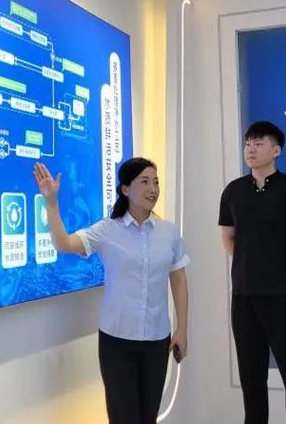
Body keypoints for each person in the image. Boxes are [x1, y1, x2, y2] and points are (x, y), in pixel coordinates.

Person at [34, 157, 190, 424]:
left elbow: (178, 280)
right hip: (117, 342)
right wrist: (51, 203)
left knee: (148, 417)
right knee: (123, 418)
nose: (153, 189)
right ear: (125, 189)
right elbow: (63, 244)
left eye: (156, 182)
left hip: (156, 340)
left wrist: (182, 330)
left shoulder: (168, 232)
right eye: (144, 182)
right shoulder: (107, 230)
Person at [218, 120, 286, 424]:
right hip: (244, 298)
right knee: (251, 376)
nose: (250, 149)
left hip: (284, 297)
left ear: (276, 150)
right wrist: (254, 267)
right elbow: (228, 239)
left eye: (259, 143)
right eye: (248, 143)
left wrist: (285, 271)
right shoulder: (233, 191)